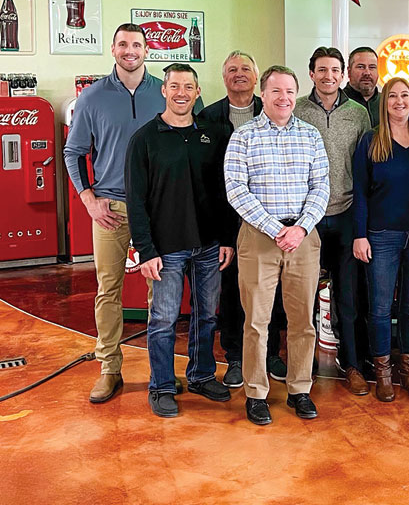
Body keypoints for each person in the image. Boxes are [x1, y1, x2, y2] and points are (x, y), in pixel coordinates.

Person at [125, 63, 235, 417]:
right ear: (164, 90)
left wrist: (226, 239)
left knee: (206, 316)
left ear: (198, 92)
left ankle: (202, 375)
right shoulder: (144, 139)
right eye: (175, 86)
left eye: (188, 87)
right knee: (163, 319)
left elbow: (223, 192)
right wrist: (146, 251)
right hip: (166, 248)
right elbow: (136, 200)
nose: (182, 93)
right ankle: (160, 385)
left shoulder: (213, 134)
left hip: (208, 244)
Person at [64, 22, 165, 404]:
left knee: (163, 292)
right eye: (123, 44)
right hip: (110, 207)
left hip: (157, 209)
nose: (130, 50)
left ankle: (160, 370)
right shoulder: (92, 97)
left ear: (146, 49)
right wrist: (88, 199)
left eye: (136, 44)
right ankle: (110, 368)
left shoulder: (165, 92)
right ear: (113, 49)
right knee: (109, 290)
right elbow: (73, 153)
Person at [225, 65, 330, 425]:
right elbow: (236, 190)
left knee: (303, 320)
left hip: (302, 236)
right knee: (256, 320)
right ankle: (256, 393)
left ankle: (300, 389)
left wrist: (299, 228)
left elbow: (321, 187)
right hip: (258, 237)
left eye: (289, 91)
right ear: (264, 95)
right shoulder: (244, 136)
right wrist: (274, 229)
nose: (283, 98)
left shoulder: (311, 136)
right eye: (275, 91)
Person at [198, 51, 288, 388]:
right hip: (227, 222)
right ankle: (236, 357)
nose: (239, 75)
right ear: (224, 78)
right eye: (232, 70)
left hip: (270, 221)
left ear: (257, 78)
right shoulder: (208, 117)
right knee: (234, 292)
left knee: (273, 292)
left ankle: (272, 355)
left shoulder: (271, 114)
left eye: (246, 69)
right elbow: (207, 180)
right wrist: (221, 234)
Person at [352, 76, 409, 402]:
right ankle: (383, 374)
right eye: (393, 97)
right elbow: (360, 191)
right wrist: (360, 234)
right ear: (383, 102)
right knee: (380, 308)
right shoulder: (370, 140)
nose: (399, 102)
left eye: (405, 96)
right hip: (381, 235)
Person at [295, 46, 372, 396]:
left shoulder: (358, 114)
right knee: (302, 296)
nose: (329, 76)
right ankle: (301, 367)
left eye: (335, 70)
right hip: (305, 219)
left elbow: (365, 167)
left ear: (343, 75)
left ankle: (353, 364)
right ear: (311, 73)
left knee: (349, 297)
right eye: (321, 70)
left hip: (345, 215)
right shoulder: (296, 109)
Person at [343, 46, 381, 126]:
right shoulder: (338, 102)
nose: (367, 72)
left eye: (372, 67)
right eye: (361, 67)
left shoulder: (388, 103)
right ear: (349, 71)